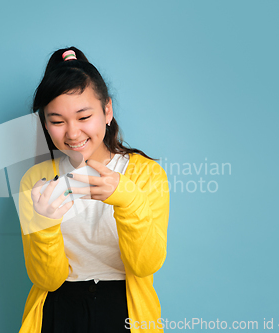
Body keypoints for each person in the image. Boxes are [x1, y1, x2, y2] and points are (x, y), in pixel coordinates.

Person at [17, 46, 170, 333]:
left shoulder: (146, 174)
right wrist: (45, 224)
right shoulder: (35, 181)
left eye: (84, 117)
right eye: (57, 121)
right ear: (45, 124)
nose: (72, 133)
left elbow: (145, 265)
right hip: (58, 311)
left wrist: (127, 199)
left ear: (107, 110)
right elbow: (46, 280)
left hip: (125, 310)